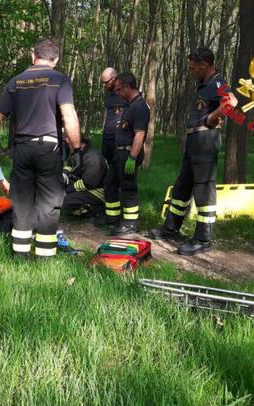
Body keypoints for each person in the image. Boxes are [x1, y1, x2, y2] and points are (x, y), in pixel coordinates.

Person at [0, 38, 82, 258]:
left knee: (21, 202)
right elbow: (68, 114)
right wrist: (77, 150)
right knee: (48, 202)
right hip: (49, 150)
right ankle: (44, 256)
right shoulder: (60, 80)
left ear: (33, 56)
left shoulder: (16, 82)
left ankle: (19, 256)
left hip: (22, 149)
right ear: (55, 60)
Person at [150, 48, 238, 255]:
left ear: (204, 65)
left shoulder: (217, 82)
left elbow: (232, 102)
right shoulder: (203, 85)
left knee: (203, 188)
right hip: (194, 141)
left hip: (205, 141)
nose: (191, 71)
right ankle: (170, 229)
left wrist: (211, 117)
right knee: (182, 187)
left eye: (193, 67)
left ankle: (203, 238)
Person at [101, 72, 150, 235]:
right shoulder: (129, 105)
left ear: (128, 87)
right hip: (118, 153)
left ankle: (130, 223)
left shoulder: (139, 106)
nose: (117, 93)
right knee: (110, 184)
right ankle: (112, 219)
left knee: (128, 188)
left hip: (128, 153)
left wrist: (132, 157)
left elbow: (140, 134)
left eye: (119, 89)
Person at [62, 137, 106, 217]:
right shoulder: (77, 153)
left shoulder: (92, 157)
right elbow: (70, 165)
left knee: (68, 202)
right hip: (85, 186)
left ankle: (97, 210)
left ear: (80, 142)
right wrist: (64, 173)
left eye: (68, 144)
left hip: (98, 191)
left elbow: (89, 183)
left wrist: (69, 190)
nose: (67, 146)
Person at [100, 67, 127, 163]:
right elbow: (107, 114)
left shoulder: (125, 94)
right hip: (107, 139)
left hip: (118, 140)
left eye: (106, 82)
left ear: (114, 79)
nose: (104, 85)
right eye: (103, 83)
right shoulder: (110, 95)